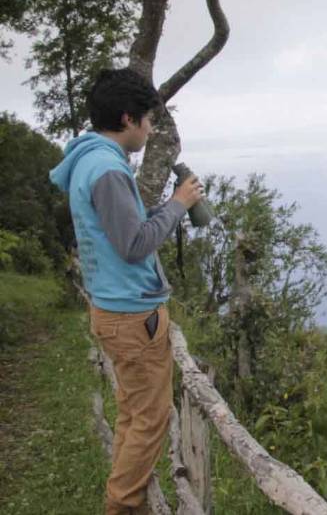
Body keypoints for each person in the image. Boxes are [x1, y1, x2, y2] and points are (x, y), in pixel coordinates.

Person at [49, 68, 203, 515]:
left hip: (113, 309)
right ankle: (121, 505)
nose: (150, 128)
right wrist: (178, 205)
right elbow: (134, 245)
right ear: (127, 119)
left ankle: (126, 498)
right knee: (151, 418)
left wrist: (159, 209)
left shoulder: (90, 160)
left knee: (134, 414)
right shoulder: (107, 169)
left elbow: (120, 228)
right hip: (133, 317)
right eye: (147, 120)